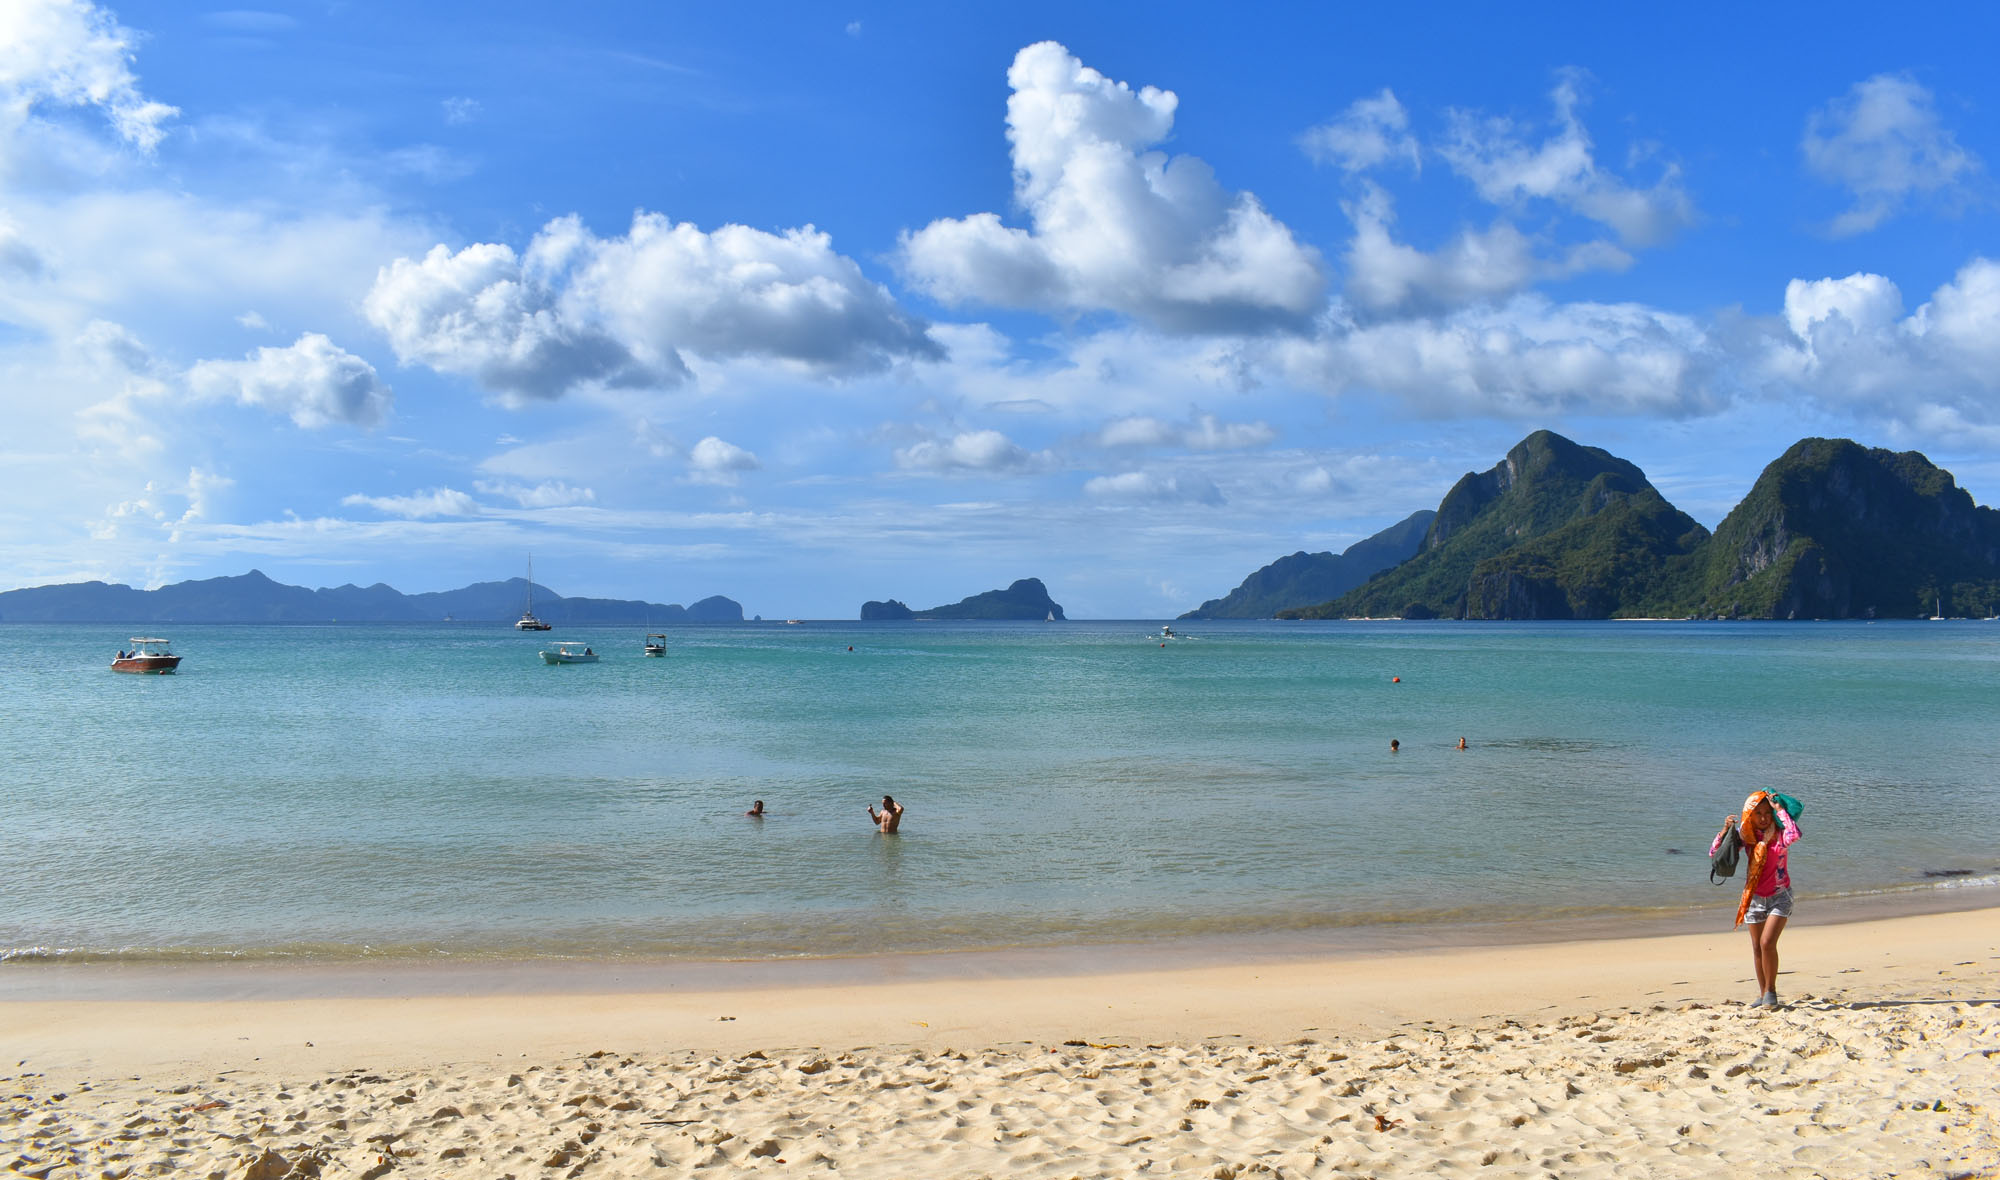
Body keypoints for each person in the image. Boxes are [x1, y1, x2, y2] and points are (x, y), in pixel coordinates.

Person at [1711, 790, 1801, 1008]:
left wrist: (1780, 810)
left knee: (1767, 943)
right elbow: (1715, 852)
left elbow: (1794, 834)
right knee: (1757, 947)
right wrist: (1725, 830)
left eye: (1767, 813)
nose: (1763, 818)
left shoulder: (1780, 835)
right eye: (1758, 813)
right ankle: (1763, 994)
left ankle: (1771, 992)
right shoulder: (1747, 836)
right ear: (1749, 815)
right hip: (1754, 898)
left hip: (1780, 896)